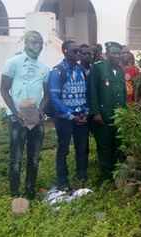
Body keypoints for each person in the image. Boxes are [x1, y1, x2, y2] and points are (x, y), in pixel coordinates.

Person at [0, 30, 50, 199]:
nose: (38, 46)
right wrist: (16, 113)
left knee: (34, 158)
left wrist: (41, 109)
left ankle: (30, 191)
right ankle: (15, 194)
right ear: (26, 42)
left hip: (35, 117)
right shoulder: (13, 63)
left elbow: (47, 94)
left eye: (41, 43)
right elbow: (4, 89)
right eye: (35, 42)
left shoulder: (44, 67)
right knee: (16, 158)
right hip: (17, 117)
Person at [49, 40, 89, 191]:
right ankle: (63, 180)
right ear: (65, 51)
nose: (78, 53)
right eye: (75, 51)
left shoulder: (83, 71)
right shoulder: (57, 71)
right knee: (63, 150)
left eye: (79, 51)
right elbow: (54, 98)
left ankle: (82, 176)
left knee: (82, 148)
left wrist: (86, 112)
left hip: (82, 117)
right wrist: (70, 116)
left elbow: (88, 93)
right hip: (65, 119)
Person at [89, 42, 126, 182]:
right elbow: (92, 91)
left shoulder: (121, 71)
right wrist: (96, 112)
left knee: (116, 144)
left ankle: (115, 173)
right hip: (103, 116)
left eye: (118, 53)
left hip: (118, 116)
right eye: (113, 53)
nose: (116, 56)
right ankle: (105, 176)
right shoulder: (97, 68)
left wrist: (125, 112)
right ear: (107, 53)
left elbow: (123, 93)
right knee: (104, 146)